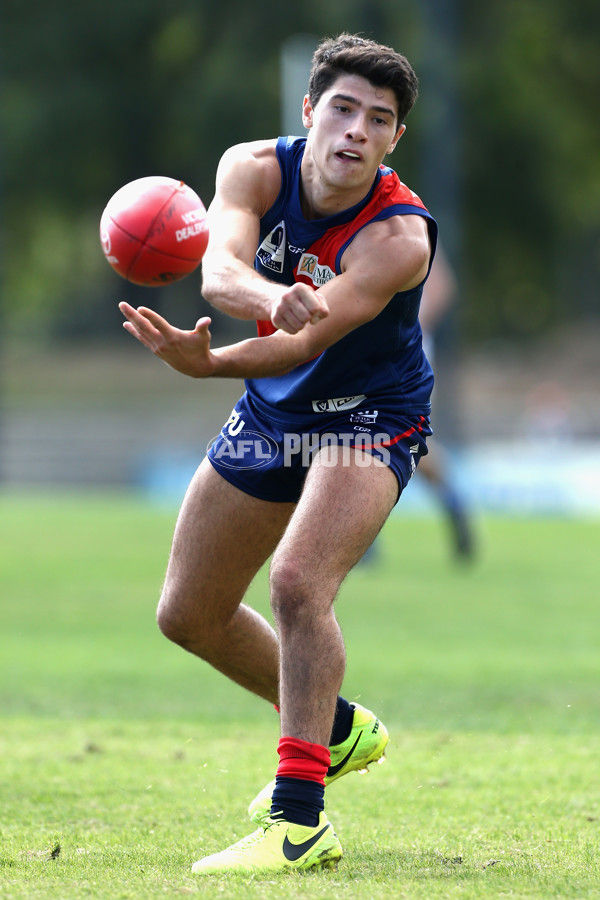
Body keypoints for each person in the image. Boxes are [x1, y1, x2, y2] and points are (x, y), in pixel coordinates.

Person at [119, 33, 437, 875]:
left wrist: (212, 362)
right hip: (273, 410)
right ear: (308, 111)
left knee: (298, 583)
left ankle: (298, 823)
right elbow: (219, 272)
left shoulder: (399, 239)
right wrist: (266, 300)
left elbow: (301, 345)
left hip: (370, 414)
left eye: (379, 119)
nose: (356, 131)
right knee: (187, 615)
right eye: (342, 108)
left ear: (394, 139)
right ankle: (335, 730)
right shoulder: (252, 167)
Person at [416, 245, 475, 559]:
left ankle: (454, 502)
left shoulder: (407, 217)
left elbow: (441, 285)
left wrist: (411, 319)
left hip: (403, 348)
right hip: (360, 348)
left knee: (403, 438)